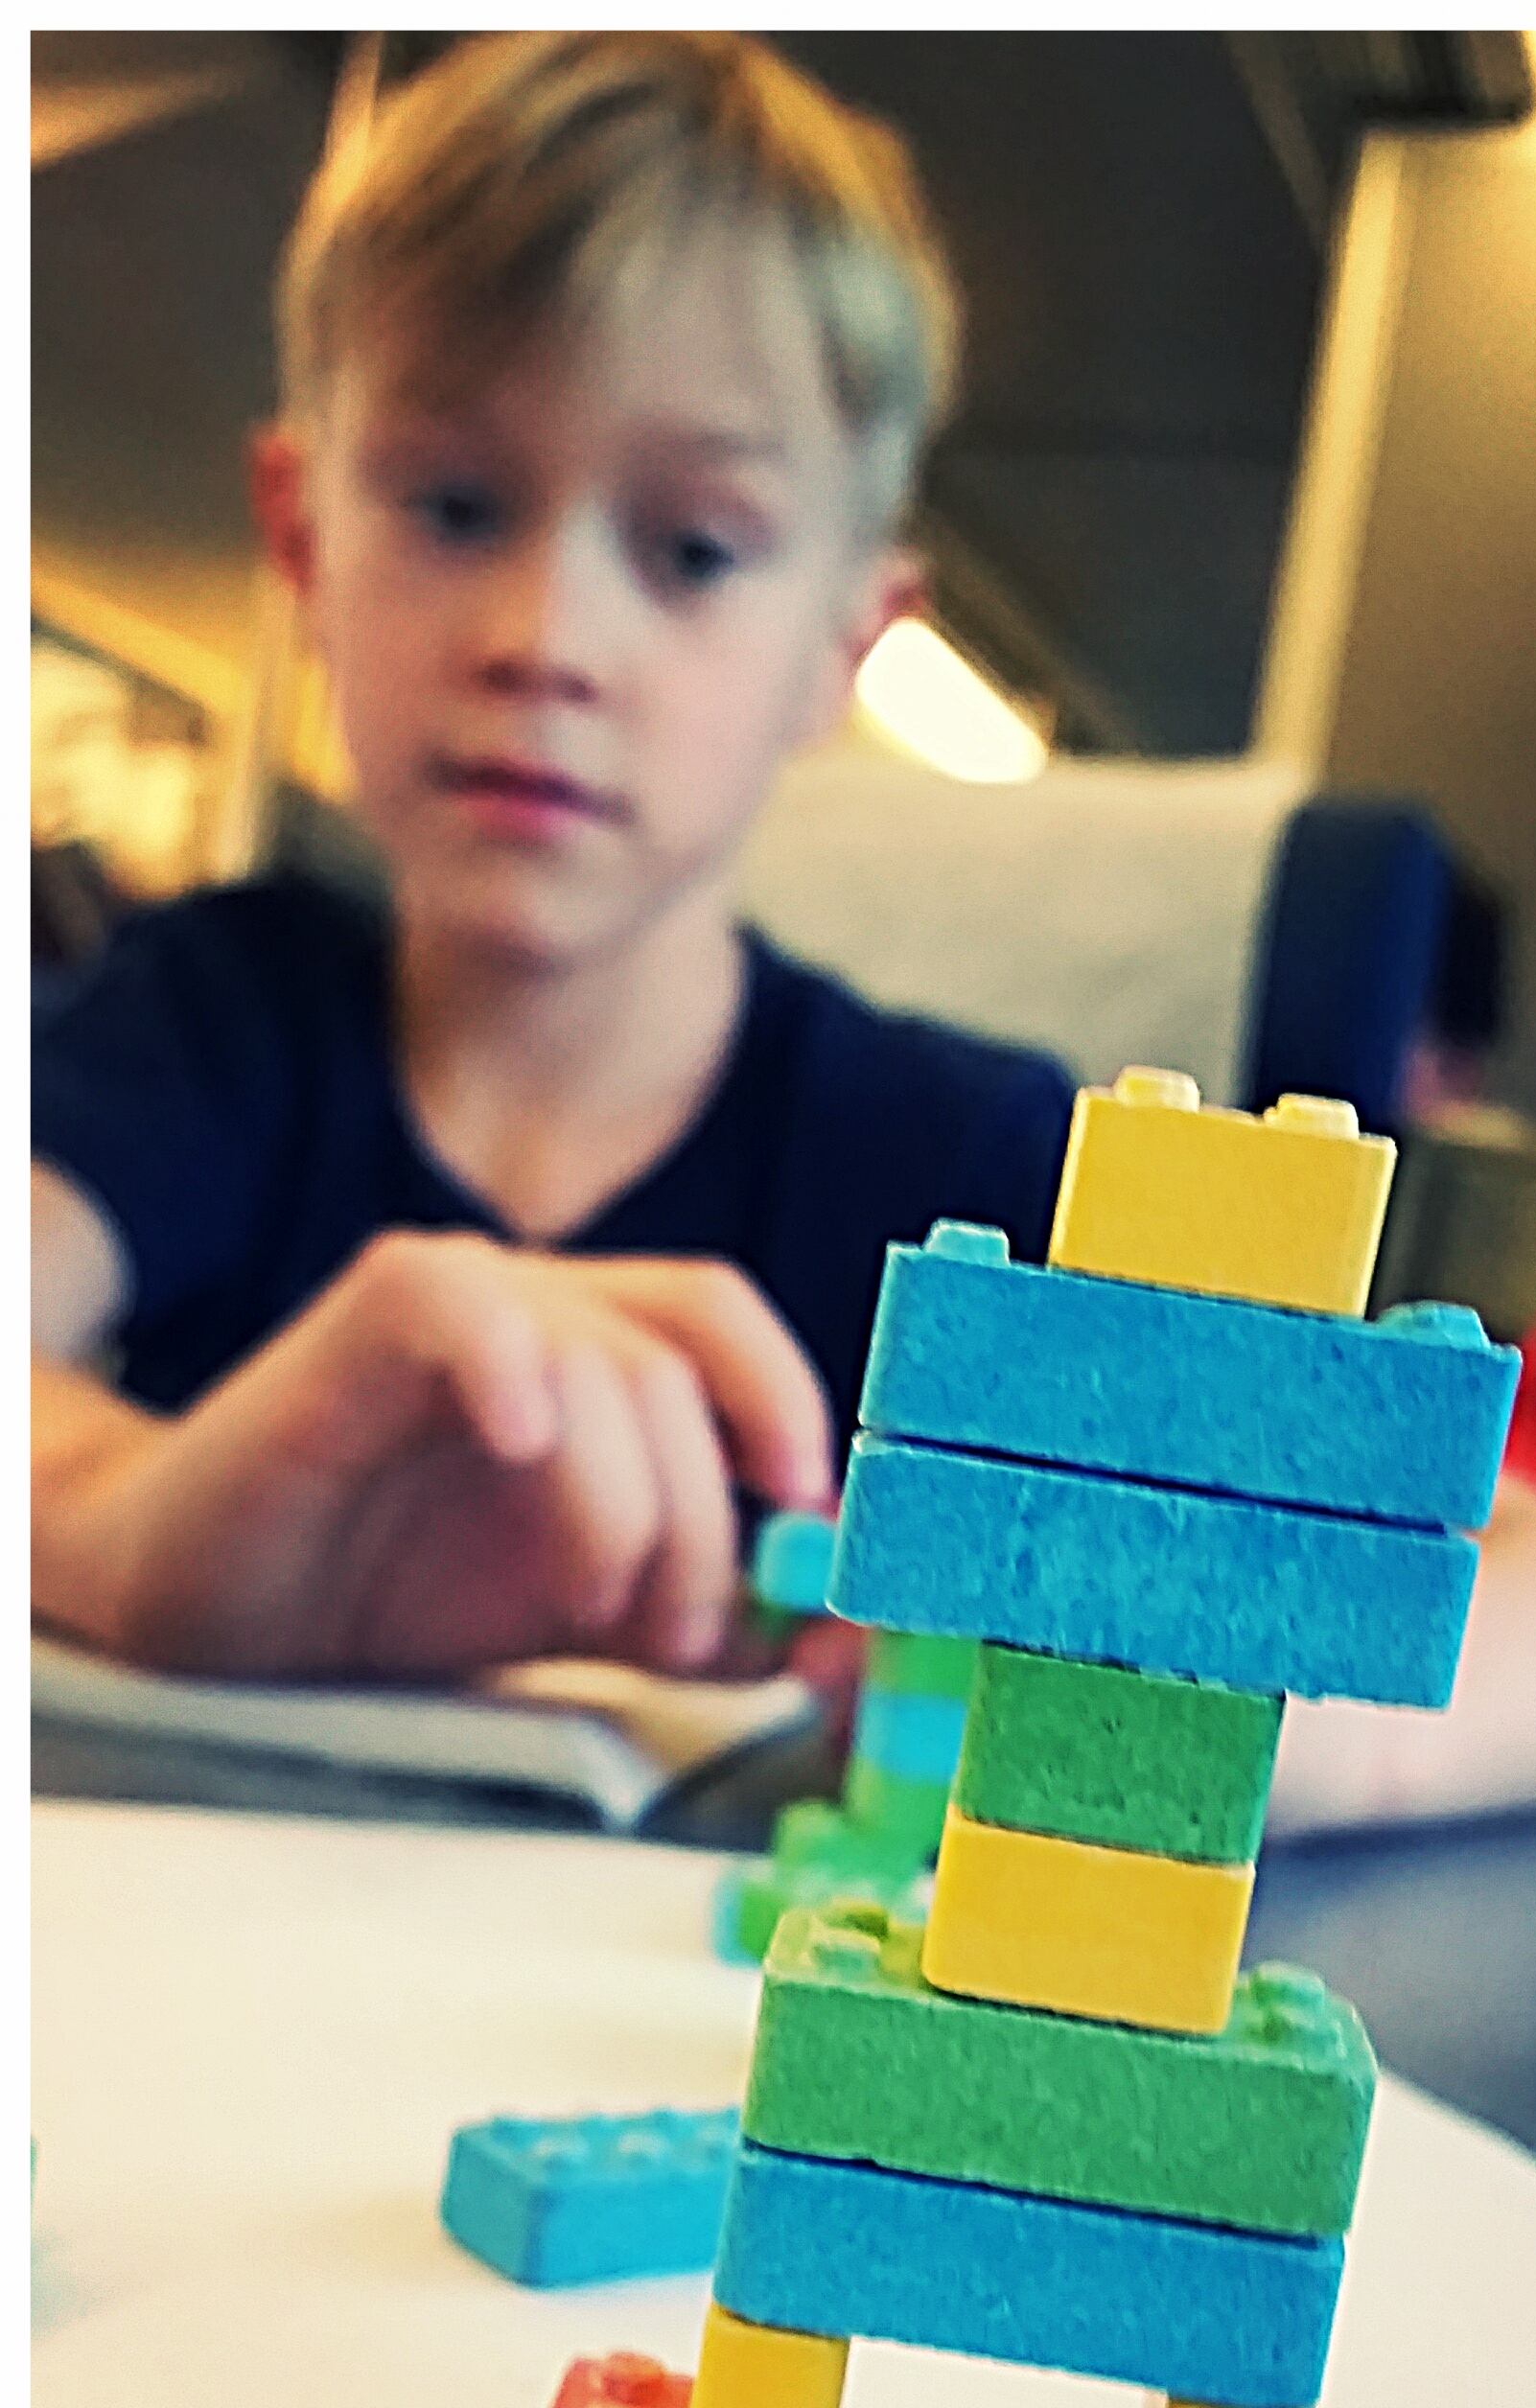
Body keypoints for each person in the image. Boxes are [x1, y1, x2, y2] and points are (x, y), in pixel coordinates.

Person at [31, 31, 1073, 1684]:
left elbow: (1531, 1590)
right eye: (455, 508)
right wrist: (125, 1528)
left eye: (695, 550)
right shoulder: (208, 1024)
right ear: (302, 538)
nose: (547, 640)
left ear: (844, 647)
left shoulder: (974, 1167)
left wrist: (1170, 1714)